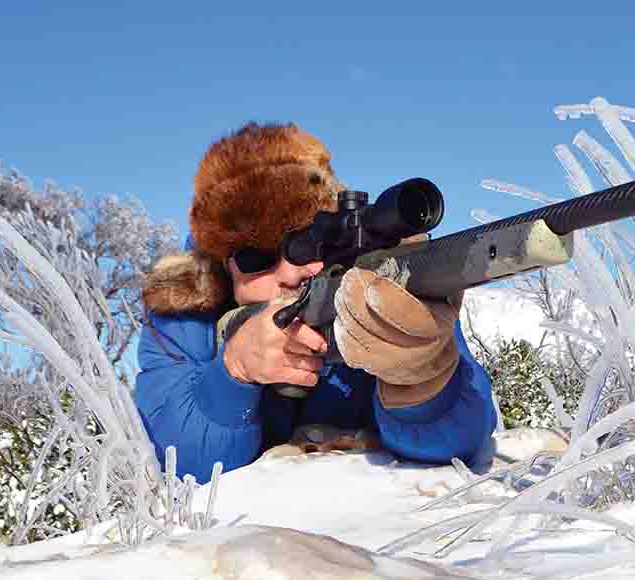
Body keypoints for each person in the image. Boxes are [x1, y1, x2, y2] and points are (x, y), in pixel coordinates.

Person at [134, 122, 496, 483]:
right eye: (256, 257)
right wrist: (234, 372)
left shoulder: (380, 285)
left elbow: (462, 441)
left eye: (306, 242)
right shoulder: (180, 311)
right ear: (222, 263)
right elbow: (177, 467)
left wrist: (419, 379)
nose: (290, 271)